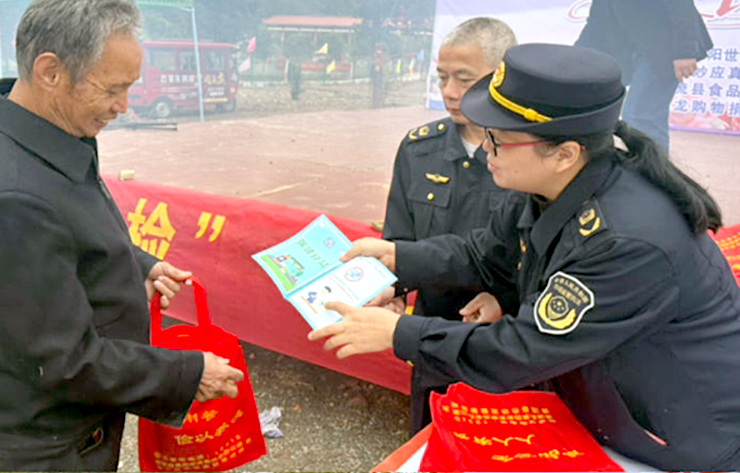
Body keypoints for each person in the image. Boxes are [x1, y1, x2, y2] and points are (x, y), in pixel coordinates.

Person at [309, 43, 740, 470]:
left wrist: (401, 333)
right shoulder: (548, 185)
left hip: (678, 442)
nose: (485, 149)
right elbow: (486, 253)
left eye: (498, 140)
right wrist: (398, 257)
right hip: (610, 411)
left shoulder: (626, 241)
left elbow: (522, 349)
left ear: (564, 153)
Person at [0, 0, 244, 472]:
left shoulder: (36, 134)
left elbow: (65, 229)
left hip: (80, 425)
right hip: (54, 447)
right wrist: (187, 374)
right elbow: (62, 362)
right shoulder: (6, 202)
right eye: (112, 89)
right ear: (50, 72)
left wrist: (135, 265)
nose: (124, 106)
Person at [374, 17, 516, 434]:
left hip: (506, 338)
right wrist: (394, 291)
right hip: (430, 333)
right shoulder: (420, 148)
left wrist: (508, 301)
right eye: (442, 78)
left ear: (500, 77)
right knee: (430, 435)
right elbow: (399, 238)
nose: (450, 92)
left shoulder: (527, 153)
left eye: (464, 79)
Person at [560, 0, 712, 153]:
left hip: (666, 50)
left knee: (641, 114)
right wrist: (575, 56)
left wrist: (685, 50)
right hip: (633, 53)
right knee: (622, 112)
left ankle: (653, 172)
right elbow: (598, 22)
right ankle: (639, 166)